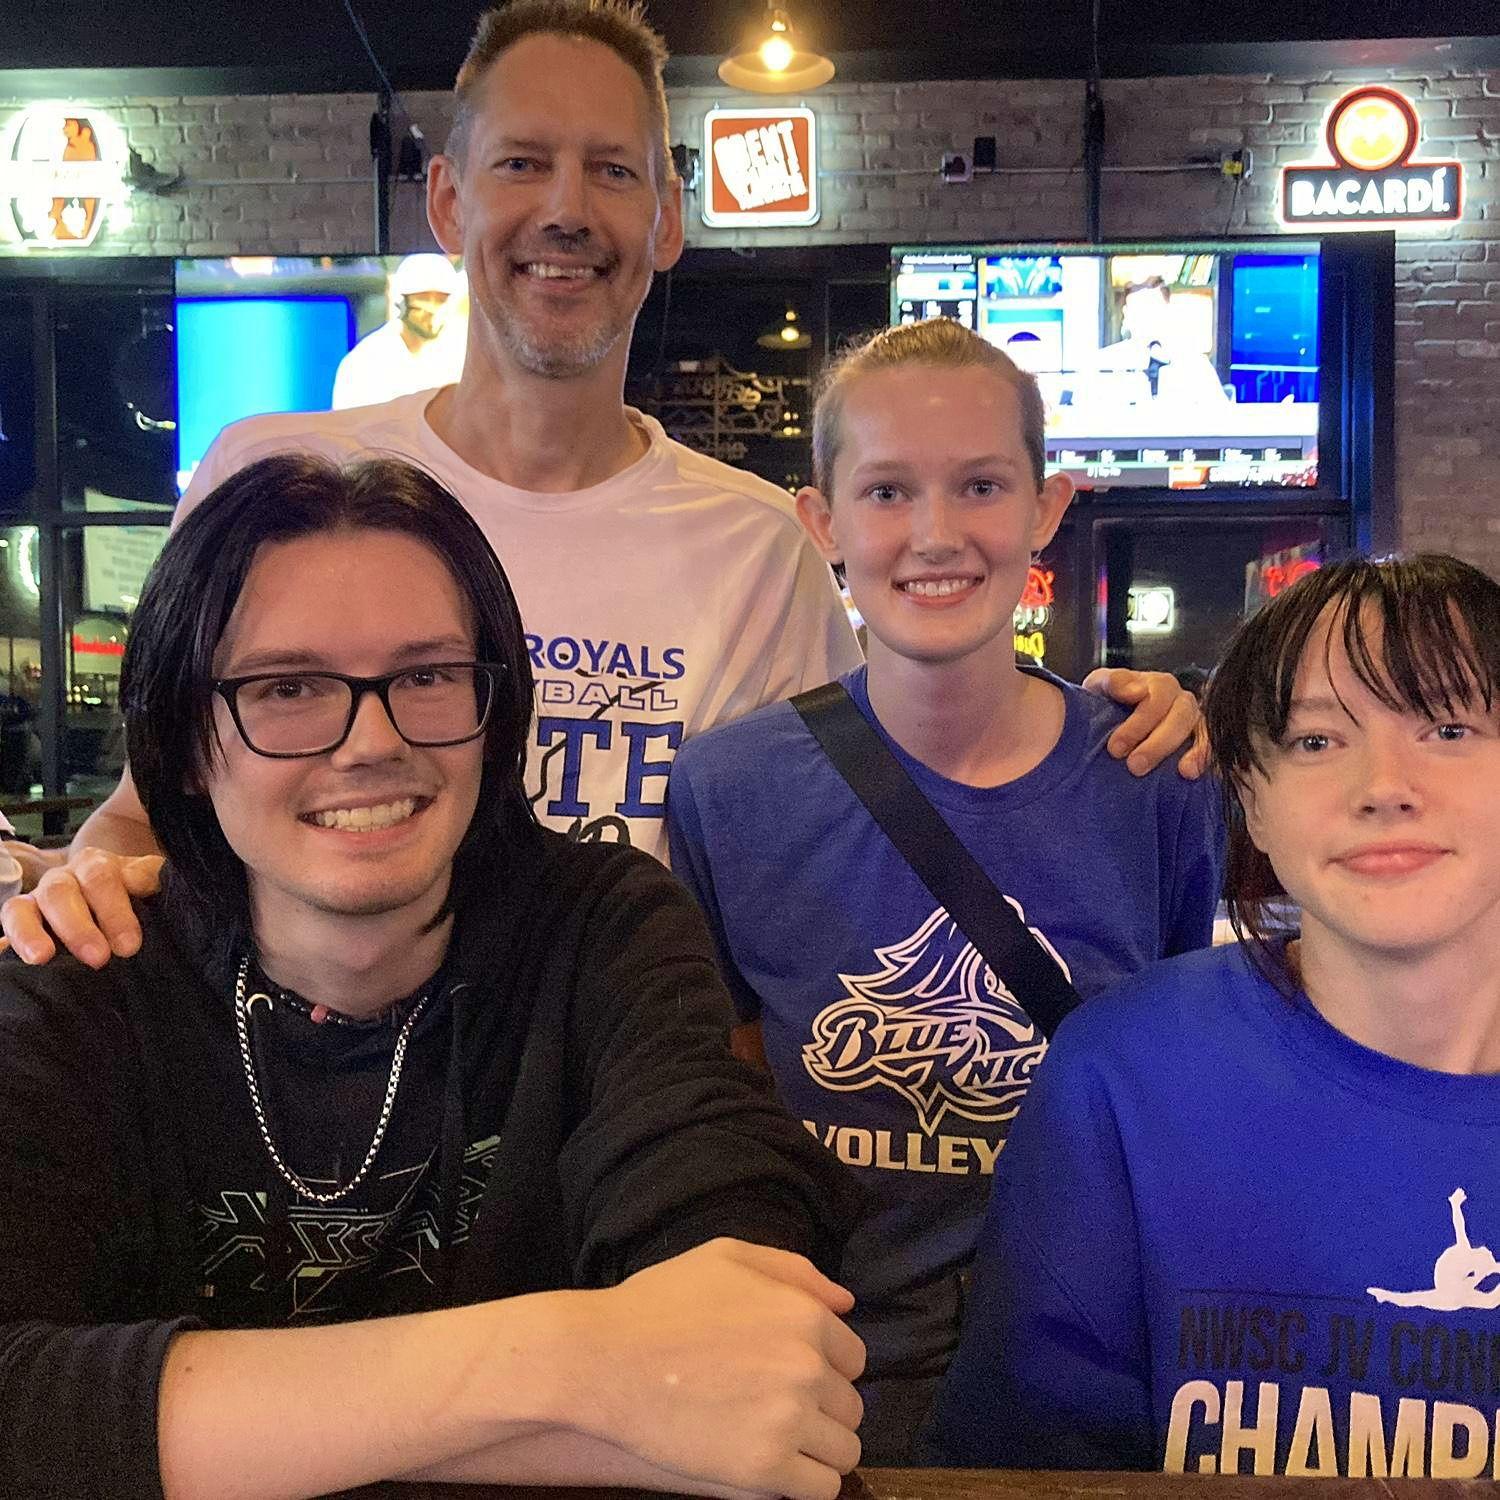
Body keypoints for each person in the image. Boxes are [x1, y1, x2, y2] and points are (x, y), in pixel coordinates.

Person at [0, 0, 1196, 961]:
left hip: (622, 1125)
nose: (567, 210)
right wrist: (76, 884)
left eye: (613, 173)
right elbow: (147, 811)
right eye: (524, 162)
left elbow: (883, 807)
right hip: (312, 1128)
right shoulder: (282, 474)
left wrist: (1114, 731)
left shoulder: (755, 540)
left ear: (668, 219)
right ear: (450, 201)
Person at [0, 452, 866, 1500]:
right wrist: (580, 1362)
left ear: (495, 712)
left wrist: (177, 1433)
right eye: (288, 687)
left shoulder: (604, 931)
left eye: (426, 677)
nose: (372, 741)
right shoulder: (87, 974)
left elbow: (757, 1372)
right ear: (186, 741)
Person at [666, 319, 1224, 1463]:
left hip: (1084, 1388)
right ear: (820, 522)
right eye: (885, 492)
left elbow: (1174, 1077)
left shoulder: (1154, 776)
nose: (935, 535)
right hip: (821, 1387)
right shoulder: (729, 788)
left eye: (980, 484)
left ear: (1046, 509)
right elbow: (726, 1102)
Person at [928, 553, 1500, 1478]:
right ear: (1253, 802)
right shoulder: (1125, 1075)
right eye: (1317, 741)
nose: (1384, 785)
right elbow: (1028, 1466)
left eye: (1446, 726)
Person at [330, 252, 469, 409]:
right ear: (401, 301)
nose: (432, 308)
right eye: (423, 298)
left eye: (441, 299)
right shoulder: (366, 362)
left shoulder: (461, 354)